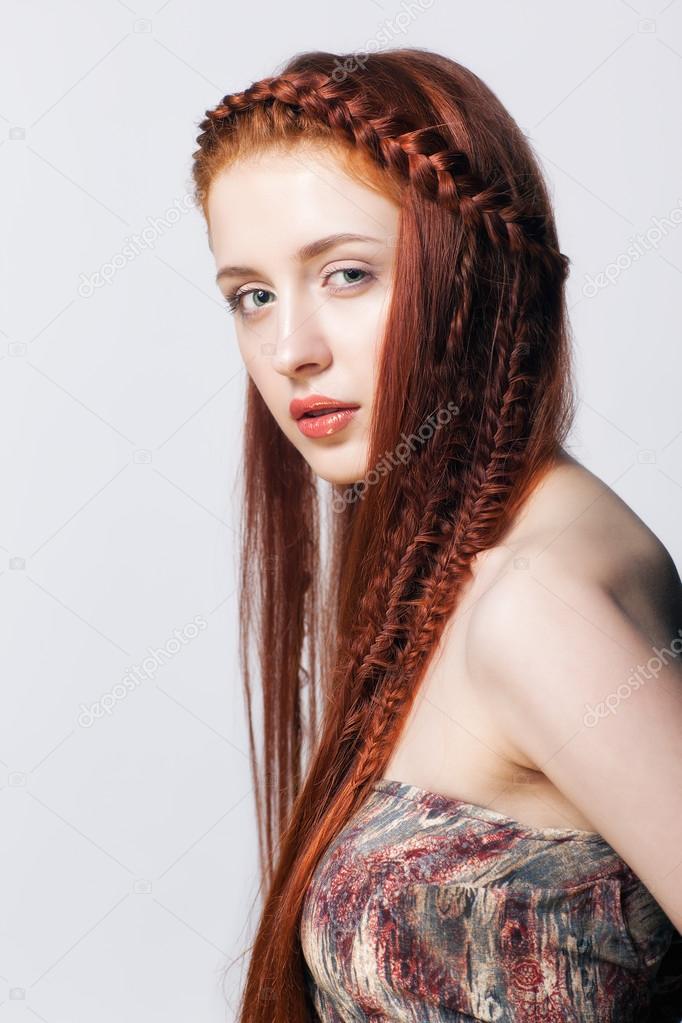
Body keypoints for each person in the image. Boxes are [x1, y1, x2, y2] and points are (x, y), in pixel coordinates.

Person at [191, 47, 682, 1023]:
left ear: (476, 275)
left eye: (346, 273)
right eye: (252, 295)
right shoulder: (439, 555)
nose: (291, 350)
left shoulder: (529, 603)